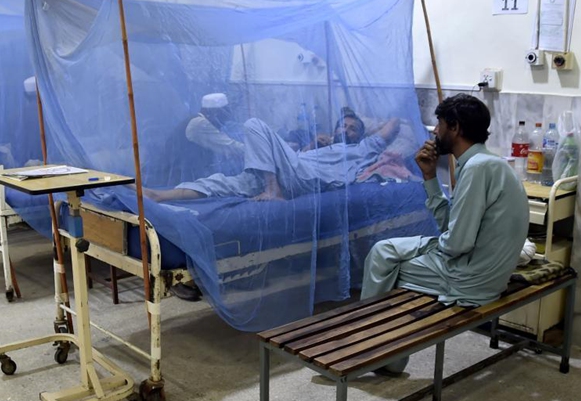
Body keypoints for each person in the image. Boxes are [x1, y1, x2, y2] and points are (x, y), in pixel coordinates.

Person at [360, 94, 529, 375]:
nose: (435, 131)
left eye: (439, 124)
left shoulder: (476, 169)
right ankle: (386, 351)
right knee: (384, 251)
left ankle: (369, 349)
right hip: (483, 272)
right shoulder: (488, 163)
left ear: (455, 127)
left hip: (471, 281)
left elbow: (456, 243)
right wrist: (429, 177)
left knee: (383, 264)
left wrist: (430, 247)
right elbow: (453, 227)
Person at [146, 112, 400, 202]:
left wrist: (370, 128)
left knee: (254, 124)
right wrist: (312, 144)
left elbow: (394, 125)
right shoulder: (324, 145)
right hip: (291, 170)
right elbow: (301, 158)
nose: (345, 130)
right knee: (224, 182)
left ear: (361, 135)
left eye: (352, 128)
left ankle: (272, 190)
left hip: (303, 178)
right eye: (342, 125)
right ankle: (160, 196)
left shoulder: (363, 149)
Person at [163, 93, 245, 184]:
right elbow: (229, 145)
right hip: (178, 181)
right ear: (215, 113)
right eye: (223, 116)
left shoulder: (197, 120)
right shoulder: (200, 124)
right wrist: (252, 151)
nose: (224, 122)